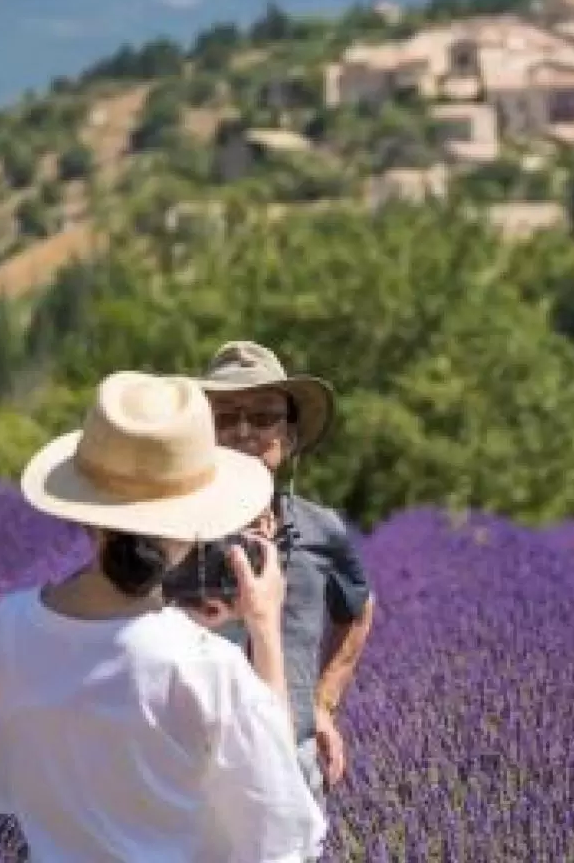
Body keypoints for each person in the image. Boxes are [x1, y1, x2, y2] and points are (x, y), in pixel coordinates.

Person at [0, 370, 326, 863]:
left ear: (83, 508)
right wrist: (264, 625)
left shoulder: (9, 625)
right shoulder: (204, 665)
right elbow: (280, 820)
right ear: (195, 517)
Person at [199, 341, 375, 814]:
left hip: (292, 762)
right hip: (193, 766)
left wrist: (323, 704)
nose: (242, 429)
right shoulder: (173, 532)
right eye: (225, 416)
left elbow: (359, 610)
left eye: (262, 416)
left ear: (290, 437)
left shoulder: (323, 530)